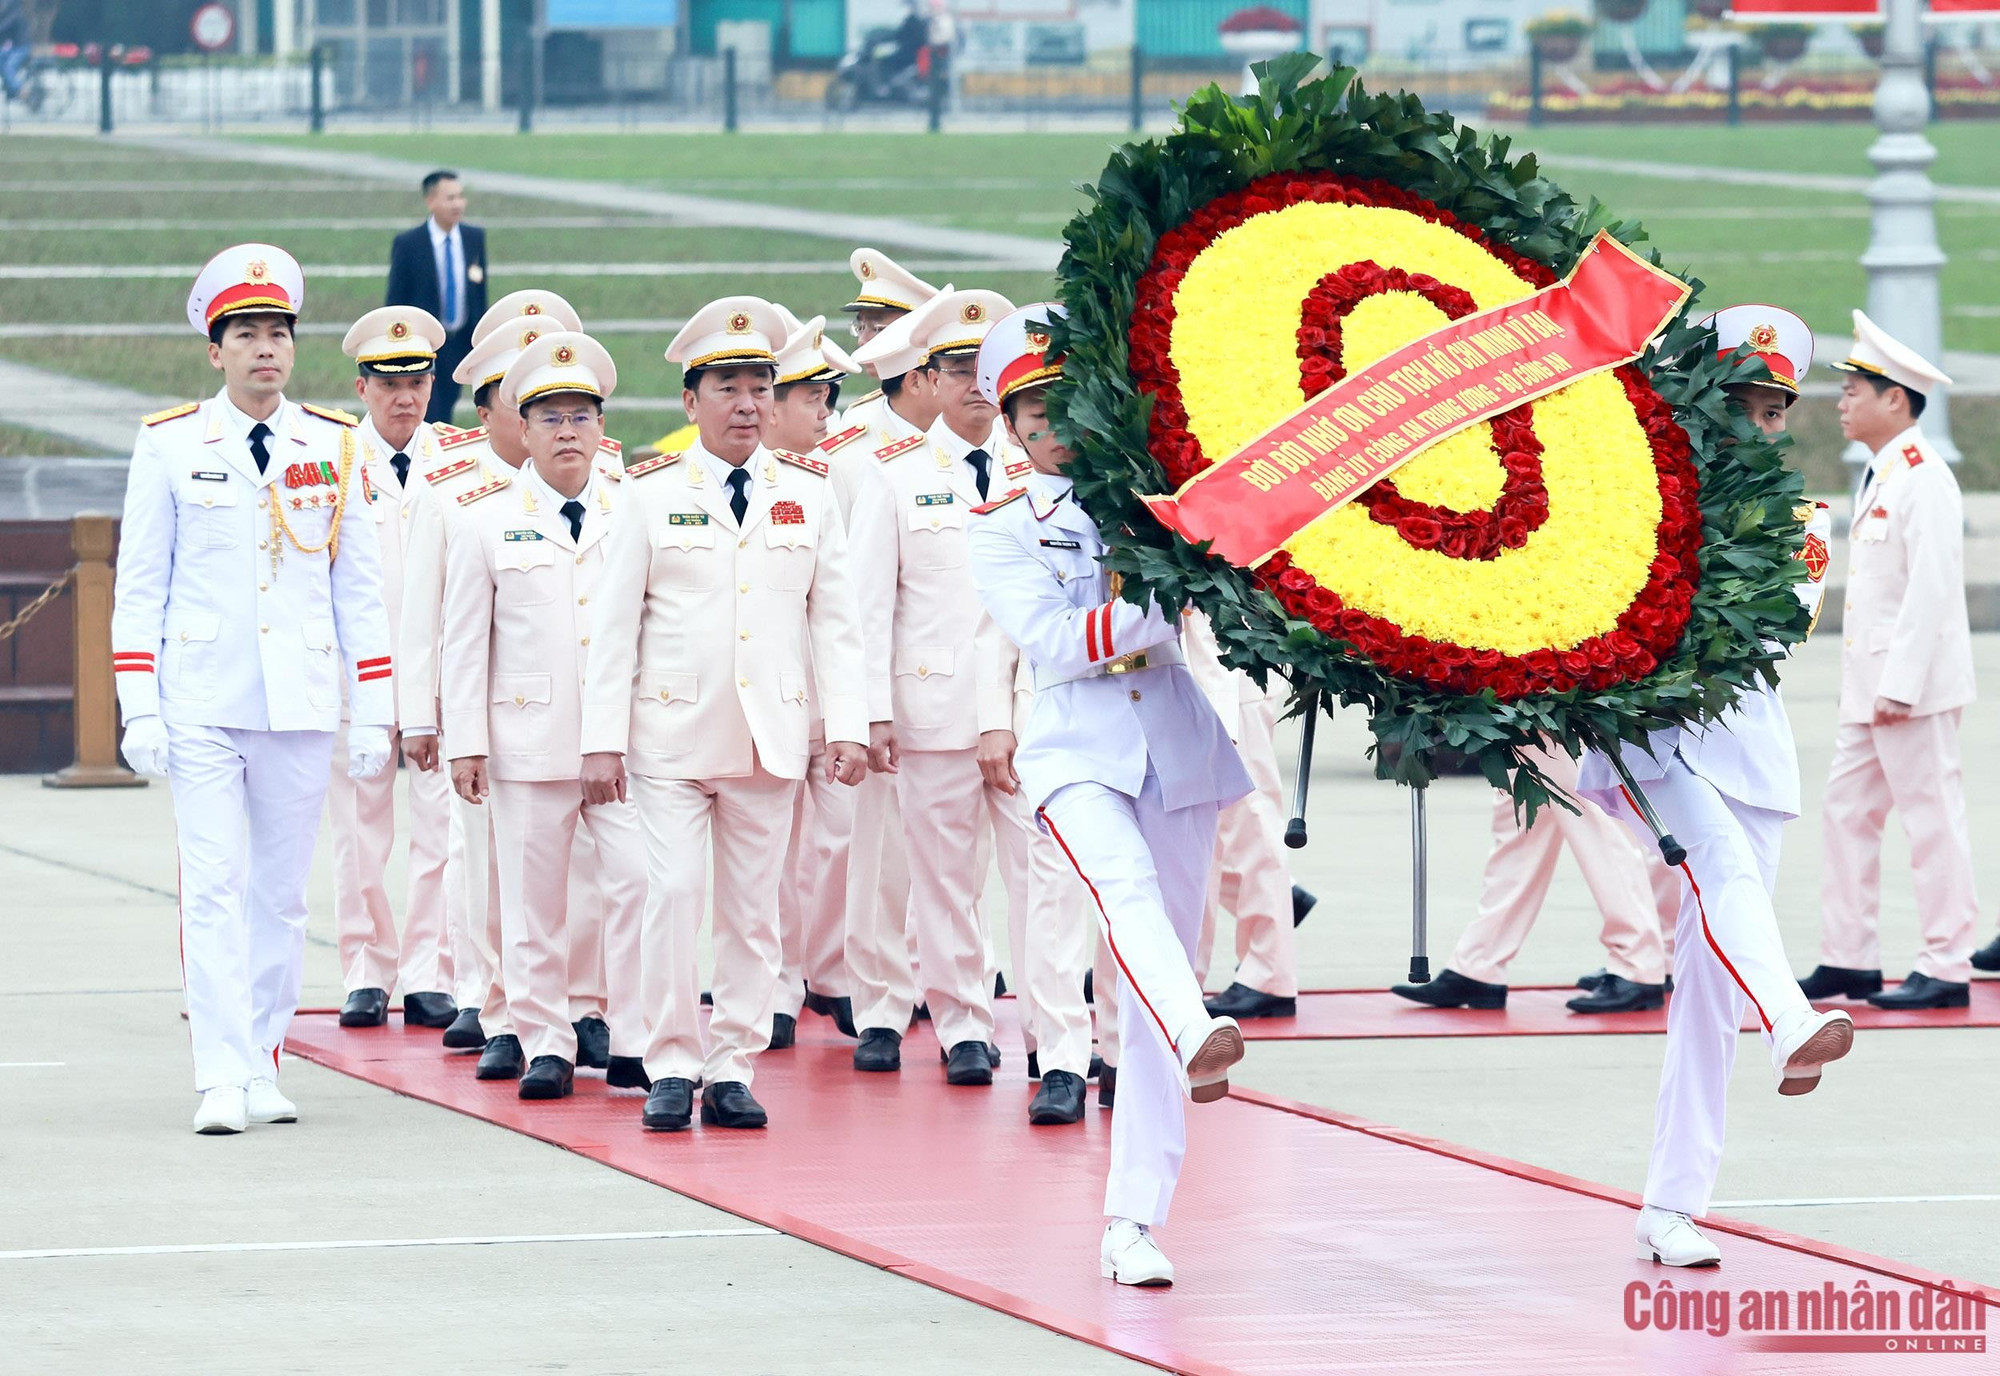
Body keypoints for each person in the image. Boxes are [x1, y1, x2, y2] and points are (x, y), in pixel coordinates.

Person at [966, 303, 1251, 1285]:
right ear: (1009, 426)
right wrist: (1150, 597)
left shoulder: (1154, 495)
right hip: (1075, 747)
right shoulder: (1001, 529)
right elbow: (1051, 642)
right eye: (1031, 409)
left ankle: (1132, 1218)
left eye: (1065, 400)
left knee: (1154, 970)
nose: (1053, 423)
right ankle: (1193, 1025)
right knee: (1124, 899)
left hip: (1172, 742)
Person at [1578, 304, 1850, 1268]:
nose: (1762, 425)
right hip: (1661, 743)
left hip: (1751, 753)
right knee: (1724, 872)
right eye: (1744, 403)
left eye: (1776, 412)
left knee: (1706, 989)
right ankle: (1792, 1021)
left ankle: (1669, 1207)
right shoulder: (1641, 496)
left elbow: (1764, 640)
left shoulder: (1805, 526)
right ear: (1706, 403)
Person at [114, 244, 395, 1134]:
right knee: (213, 888)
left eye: (278, 332)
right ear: (215, 349)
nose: (264, 348)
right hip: (201, 697)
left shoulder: (335, 444)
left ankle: (265, 1059)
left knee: (280, 896)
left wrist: (373, 711)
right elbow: (138, 587)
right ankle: (219, 1074)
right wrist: (139, 706)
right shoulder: (167, 444)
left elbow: (358, 590)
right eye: (246, 334)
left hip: (301, 701)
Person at [580, 297, 870, 1133]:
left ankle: (732, 1063)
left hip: (769, 737)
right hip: (668, 735)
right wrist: (601, 741)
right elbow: (613, 628)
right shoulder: (645, 492)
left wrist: (846, 722)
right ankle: (670, 1062)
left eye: (759, 387)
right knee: (670, 897)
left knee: (753, 915)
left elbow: (836, 619)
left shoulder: (810, 495)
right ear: (690, 400)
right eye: (728, 386)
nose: (747, 403)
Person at [442, 332, 650, 1100]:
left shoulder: (635, 512)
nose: (569, 432)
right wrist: (464, 742)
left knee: (637, 885)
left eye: (582, 416)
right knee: (530, 905)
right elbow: (463, 643)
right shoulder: (483, 521)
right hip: (524, 739)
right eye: (551, 417)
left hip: (619, 745)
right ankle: (544, 1040)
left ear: (602, 428)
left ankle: (630, 1032)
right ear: (522, 430)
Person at [397, 290, 586, 1077]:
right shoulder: (450, 486)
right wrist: (421, 714)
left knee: (583, 877)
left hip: (579, 711)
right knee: (484, 862)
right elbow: (423, 614)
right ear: (492, 408)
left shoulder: (600, 474)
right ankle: (495, 1001)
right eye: (523, 399)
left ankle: (578, 1004)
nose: (544, 416)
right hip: (487, 710)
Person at [848, 287, 1028, 1087]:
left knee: (1040, 881)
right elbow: (866, 606)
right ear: (927, 377)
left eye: (986, 368)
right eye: (957, 369)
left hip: (1029, 712)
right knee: (945, 882)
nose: (974, 385)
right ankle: (961, 1025)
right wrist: (874, 713)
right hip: (932, 709)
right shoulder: (895, 476)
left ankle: (1058, 1032)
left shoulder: (1042, 466)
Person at [1808, 309, 1977, 1012]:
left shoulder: (1923, 476)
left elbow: (1932, 593)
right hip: (1869, 688)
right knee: (1845, 813)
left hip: (1910, 690)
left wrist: (1901, 687)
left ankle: (1947, 964)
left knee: (1931, 820)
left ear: (1895, 401)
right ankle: (1848, 960)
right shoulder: (1885, 472)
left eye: (1855, 391)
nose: (1842, 402)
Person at [324, 305, 460, 1034]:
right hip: (363, 678)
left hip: (440, 677)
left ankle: (429, 972)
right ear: (362, 386)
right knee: (359, 832)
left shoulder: (460, 460)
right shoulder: (335, 461)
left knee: (442, 832)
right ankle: (366, 971)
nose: (405, 396)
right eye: (388, 382)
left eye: (418, 380)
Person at [1391, 741, 1677, 1014]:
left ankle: (1638, 959)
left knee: (1589, 813)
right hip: (1521, 708)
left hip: (1554, 701)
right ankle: (1480, 962)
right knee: (1522, 821)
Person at [764, 308, 867, 1047]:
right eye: (811, 399)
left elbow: (845, 614)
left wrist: (852, 714)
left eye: (828, 399)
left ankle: (827, 972)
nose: (825, 413)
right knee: (768, 852)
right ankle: (774, 984)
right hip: (765, 694)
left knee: (833, 845)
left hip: (825, 695)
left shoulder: (838, 478)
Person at [1184, 611, 1303, 1020]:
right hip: (1203, 670)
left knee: (1252, 827)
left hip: (1228, 670)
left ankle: (1269, 974)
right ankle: (1185, 977)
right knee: (1203, 842)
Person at [387, 170, 488, 425]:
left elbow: (479, 292)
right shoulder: (409, 243)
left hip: (460, 344)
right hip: (426, 345)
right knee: (432, 412)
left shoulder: (474, 238)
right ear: (431, 201)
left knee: (450, 406)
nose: (458, 204)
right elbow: (396, 298)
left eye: (460, 197)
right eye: (450, 198)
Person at [839, 248, 943, 432]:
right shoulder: (857, 420)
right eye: (860, 327)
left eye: (877, 329)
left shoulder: (968, 413)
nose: (862, 341)